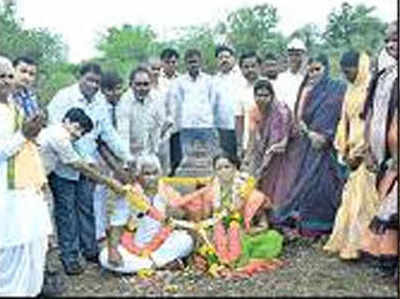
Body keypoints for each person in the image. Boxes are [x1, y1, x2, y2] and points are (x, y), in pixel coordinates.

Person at [46, 63, 132, 275]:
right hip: (64, 167)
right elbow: (62, 136)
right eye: (89, 80)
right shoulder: (63, 98)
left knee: (87, 207)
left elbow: (108, 133)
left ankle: (90, 249)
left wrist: (128, 158)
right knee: (66, 212)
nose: (93, 85)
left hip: (88, 164)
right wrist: (104, 175)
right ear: (80, 77)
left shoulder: (100, 103)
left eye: (96, 82)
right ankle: (69, 256)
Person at [163, 153, 284, 277]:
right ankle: (222, 261)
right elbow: (206, 220)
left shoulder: (249, 193)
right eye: (219, 168)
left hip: (243, 233)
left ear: (235, 168)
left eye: (227, 167)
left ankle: (233, 261)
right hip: (217, 231)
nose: (223, 171)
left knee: (240, 231)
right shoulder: (210, 194)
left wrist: (248, 230)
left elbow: (263, 225)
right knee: (216, 233)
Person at [273, 54, 347, 238]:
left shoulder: (335, 90)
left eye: (317, 69)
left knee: (324, 186)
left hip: (326, 146)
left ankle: (325, 225)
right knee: (307, 184)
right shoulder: (306, 88)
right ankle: (307, 225)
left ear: (326, 69)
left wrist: (321, 134)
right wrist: (305, 131)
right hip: (306, 145)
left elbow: (335, 116)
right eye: (310, 69)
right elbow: (299, 115)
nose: (313, 73)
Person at [0, 56, 51, 296]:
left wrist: (32, 132)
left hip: (26, 185)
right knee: (12, 246)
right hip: (6, 191)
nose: (6, 81)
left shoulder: (15, 106)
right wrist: (24, 134)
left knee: (34, 242)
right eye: (1, 76)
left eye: (9, 76)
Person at [323, 51, 380, 260]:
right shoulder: (351, 90)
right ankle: (353, 242)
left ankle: (365, 245)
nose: (347, 75)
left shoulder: (372, 89)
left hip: (369, 149)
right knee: (352, 197)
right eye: (344, 72)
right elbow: (344, 121)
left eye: (350, 71)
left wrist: (363, 150)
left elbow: (374, 123)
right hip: (351, 147)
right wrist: (344, 148)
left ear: (361, 67)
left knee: (364, 199)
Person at [99, 154, 194, 273]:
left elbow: (181, 214)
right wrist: (113, 250)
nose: (152, 178)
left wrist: (174, 212)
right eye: (147, 174)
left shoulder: (165, 191)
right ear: (138, 176)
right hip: (132, 247)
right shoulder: (130, 194)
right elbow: (117, 223)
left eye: (155, 173)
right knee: (104, 256)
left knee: (186, 241)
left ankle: (148, 265)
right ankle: (157, 264)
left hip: (161, 245)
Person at [361, 21, 398, 278]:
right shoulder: (384, 76)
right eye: (388, 40)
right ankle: (388, 260)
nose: (391, 45)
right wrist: (369, 148)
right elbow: (371, 114)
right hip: (383, 156)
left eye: (396, 39)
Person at [242, 78, 302, 217]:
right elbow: (253, 137)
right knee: (264, 181)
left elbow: (279, 143)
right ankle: (267, 215)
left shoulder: (280, 112)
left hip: (287, 152)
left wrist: (261, 167)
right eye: (258, 95)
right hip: (269, 149)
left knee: (281, 185)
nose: (262, 99)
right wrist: (248, 160)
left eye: (265, 95)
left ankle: (283, 217)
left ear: (272, 96)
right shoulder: (254, 110)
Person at [166, 49, 218, 176]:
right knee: (187, 161)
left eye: (195, 61)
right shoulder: (179, 82)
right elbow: (178, 103)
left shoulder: (209, 80)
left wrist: (207, 117)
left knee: (209, 160)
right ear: (185, 64)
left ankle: (208, 185)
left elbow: (213, 101)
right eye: (190, 62)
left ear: (200, 62)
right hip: (187, 126)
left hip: (206, 125)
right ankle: (190, 184)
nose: (193, 65)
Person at [93, 71, 126, 242]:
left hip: (115, 152)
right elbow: (100, 139)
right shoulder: (99, 108)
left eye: (120, 89)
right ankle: (98, 232)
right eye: (113, 90)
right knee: (99, 191)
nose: (117, 93)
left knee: (112, 192)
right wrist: (114, 164)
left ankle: (108, 225)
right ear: (105, 91)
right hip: (99, 155)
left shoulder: (119, 106)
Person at [117, 67, 172, 160]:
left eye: (145, 84)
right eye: (138, 84)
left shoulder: (157, 98)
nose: (142, 88)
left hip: (155, 151)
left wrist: (156, 147)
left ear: (151, 84)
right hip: (132, 153)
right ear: (131, 85)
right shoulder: (124, 101)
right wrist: (127, 159)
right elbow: (123, 133)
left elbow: (163, 124)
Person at [213, 45, 245, 158]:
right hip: (223, 127)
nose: (224, 60)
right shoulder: (214, 81)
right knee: (227, 159)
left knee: (243, 157)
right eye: (220, 58)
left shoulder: (242, 76)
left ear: (233, 59)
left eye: (227, 57)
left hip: (243, 125)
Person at [235, 51, 261, 157]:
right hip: (249, 145)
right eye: (246, 67)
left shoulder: (271, 87)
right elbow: (239, 120)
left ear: (260, 67)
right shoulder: (240, 91)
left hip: (269, 144)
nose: (250, 70)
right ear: (241, 69)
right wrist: (240, 146)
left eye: (253, 66)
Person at [274, 38, 308, 114]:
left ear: (304, 56)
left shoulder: (308, 79)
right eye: (291, 55)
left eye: (297, 55)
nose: (294, 58)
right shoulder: (281, 79)